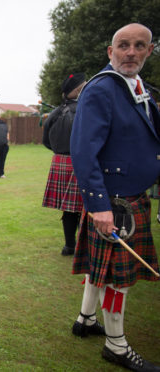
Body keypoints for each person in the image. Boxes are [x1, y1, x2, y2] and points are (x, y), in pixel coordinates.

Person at [70, 23, 160, 371]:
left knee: (100, 270)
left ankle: (86, 319)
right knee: (116, 279)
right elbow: (83, 151)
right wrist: (100, 206)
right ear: (111, 52)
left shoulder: (138, 88)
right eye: (123, 45)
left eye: (139, 46)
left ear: (149, 51)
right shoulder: (102, 89)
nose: (131, 52)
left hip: (131, 196)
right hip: (116, 202)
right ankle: (116, 345)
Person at [42, 73, 86, 256]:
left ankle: (69, 245)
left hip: (60, 160)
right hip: (81, 160)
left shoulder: (55, 112)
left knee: (68, 208)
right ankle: (84, 247)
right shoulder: (86, 110)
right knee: (87, 207)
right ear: (77, 90)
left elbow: (46, 140)